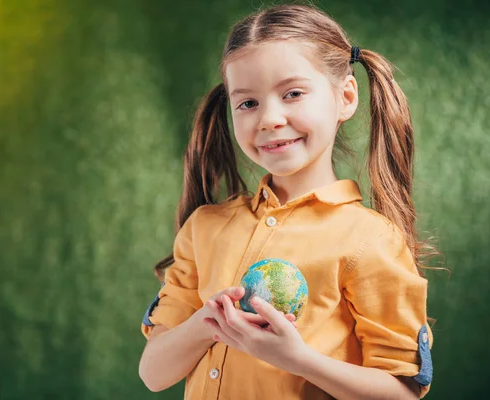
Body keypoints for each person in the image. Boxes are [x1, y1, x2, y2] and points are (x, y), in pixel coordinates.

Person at [138, 4, 438, 399]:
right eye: (247, 103)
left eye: (293, 93)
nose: (269, 119)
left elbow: (401, 393)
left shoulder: (370, 239)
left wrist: (295, 357)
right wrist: (207, 322)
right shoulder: (204, 227)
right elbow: (153, 374)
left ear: (345, 97)